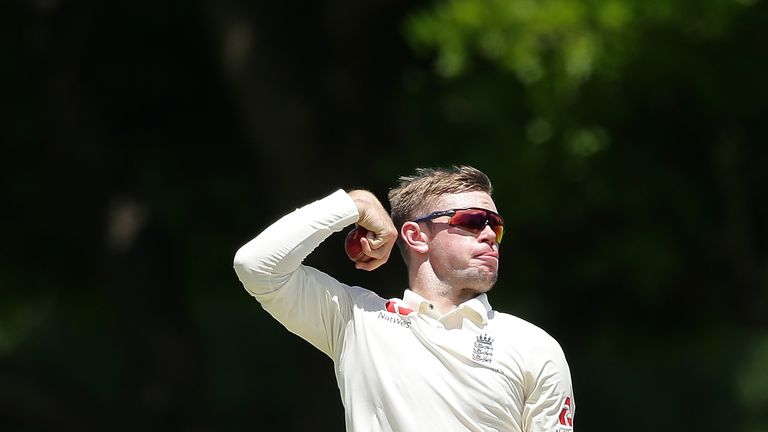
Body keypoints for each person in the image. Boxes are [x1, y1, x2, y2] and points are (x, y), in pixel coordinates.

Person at [233, 165, 575, 431]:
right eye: (472, 221)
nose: (489, 235)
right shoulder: (357, 320)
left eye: (495, 225)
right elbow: (257, 266)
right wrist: (355, 204)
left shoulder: (535, 346)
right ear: (416, 236)